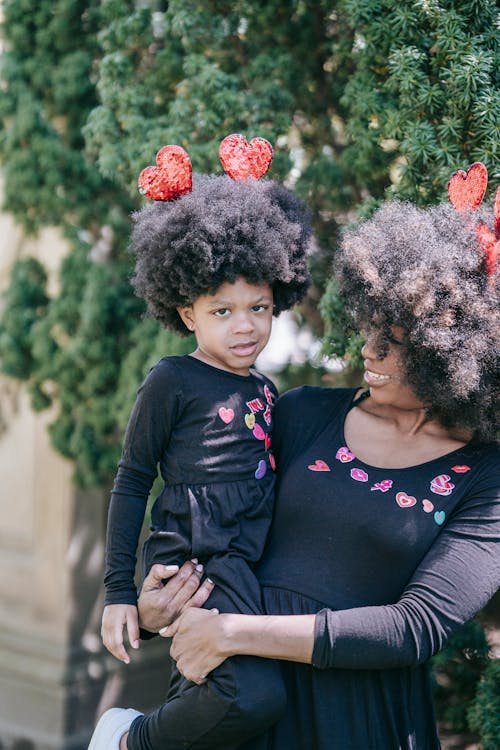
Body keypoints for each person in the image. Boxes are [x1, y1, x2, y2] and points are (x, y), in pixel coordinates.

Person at [138, 180, 500, 749]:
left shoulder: (487, 480)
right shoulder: (303, 414)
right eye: (374, 326)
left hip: (358, 722)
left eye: (399, 342)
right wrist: (155, 605)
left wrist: (237, 632)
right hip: (245, 705)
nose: (370, 350)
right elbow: (217, 528)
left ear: (460, 357)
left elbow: (414, 629)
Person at [88, 139, 312, 750]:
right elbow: (133, 478)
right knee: (253, 695)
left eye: (259, 307)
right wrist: (117, 593)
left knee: (225, 695)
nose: (246, 325)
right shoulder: (172, 379)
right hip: (196, 558)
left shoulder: (267, 390)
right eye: (223, 310)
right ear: (188, 313)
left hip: (248, 561)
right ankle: (126, 741)